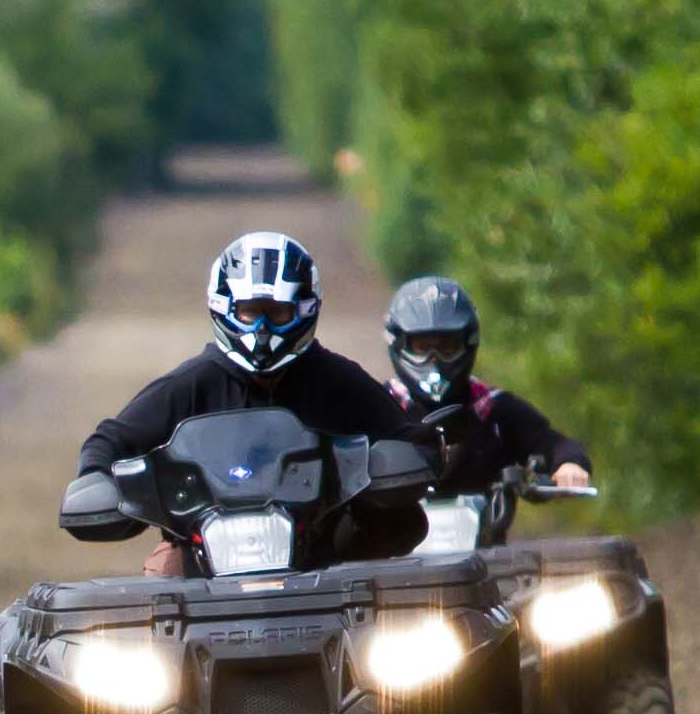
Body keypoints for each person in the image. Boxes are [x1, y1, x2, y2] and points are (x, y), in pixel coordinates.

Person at [72, 230, 423, 568]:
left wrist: (395, 464)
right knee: (162, 579)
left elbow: (408, 439)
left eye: (278, 313)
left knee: (401, 550)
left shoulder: (340, 381)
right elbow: (110, 441)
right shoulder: (191, 385)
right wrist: (96, 480)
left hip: (326, 563)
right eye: (251, 312)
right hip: (200, 565)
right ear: (224, 307)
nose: (263, 329)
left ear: (304, 310)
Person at [379, 274, 594, 505]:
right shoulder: (376, 407)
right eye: (422, 348)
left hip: (485, 538)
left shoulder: (496, 409)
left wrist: (569, 464)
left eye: (447, 346)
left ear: (469, 343)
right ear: (398, 344)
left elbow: (552, 443)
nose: (435, 359)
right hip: (390, 538)